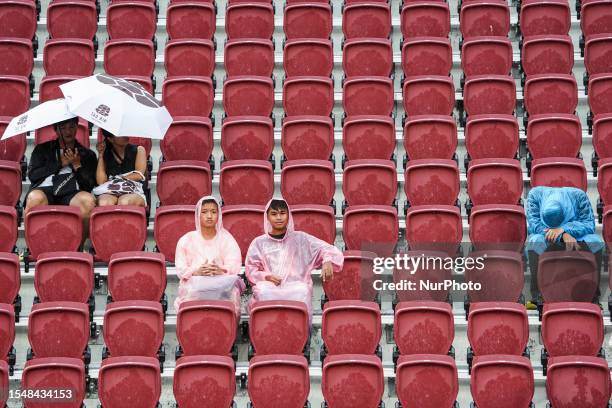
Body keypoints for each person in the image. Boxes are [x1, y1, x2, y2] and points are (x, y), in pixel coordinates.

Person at [245, 197, 344, 322]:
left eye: (282, 213)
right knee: (263, 291)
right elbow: (250, 270)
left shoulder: (301, 239)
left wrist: (327, 260)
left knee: (302, 291)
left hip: (296, 286)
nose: (279, 218)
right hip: (270, 287)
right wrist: (267, 276)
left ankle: (301, 337)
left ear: (288, 215)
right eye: (274, 214)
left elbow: (327, 249)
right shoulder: (259, 242)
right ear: (267, 217)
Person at [526, 186, 604, 307]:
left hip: (575, 233)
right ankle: (537, 296)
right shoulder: (534, 195)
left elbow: (589, 225)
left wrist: (565, 229)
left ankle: (593, 296)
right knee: (534, 241)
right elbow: (534, 226)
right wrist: (561, 235)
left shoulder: (579, 196)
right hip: (547, 234)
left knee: (595, 241)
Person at [174, 195, 244, 316]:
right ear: (198, 215)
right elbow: (180, 269)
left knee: (233, 292)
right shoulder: (186, 239)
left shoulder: (226, 238)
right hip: (194, 283)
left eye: (213, 212)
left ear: (219, 214)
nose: (209, 216)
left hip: (221, 283)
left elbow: (235, 264)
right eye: (204, 212)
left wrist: (220, 269)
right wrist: (196, 271)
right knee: (190, 290)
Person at [25, 117, 97, 218]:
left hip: (72, 191)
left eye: (72, 127)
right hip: (45, 189)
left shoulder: (88, 154)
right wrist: (59, 164)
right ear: (56, 130)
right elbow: (33, 175)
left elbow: (89, 186)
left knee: (88, 201)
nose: (68, 131)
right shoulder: (42, 149)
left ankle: (84, 234)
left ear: (77, 127)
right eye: (63, 128)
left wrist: (77, 165)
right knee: (34, 198)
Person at [95, 129, 147, 207]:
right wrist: (101, 155)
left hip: (133, 190)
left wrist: (114, 179)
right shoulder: (105, 153)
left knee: (124, 202)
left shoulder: (139, 150)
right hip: (110, 190)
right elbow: (101, 181)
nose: (125, 135)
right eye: (120, 133)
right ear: (110, 139)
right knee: (104, 203)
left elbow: (138, 175)